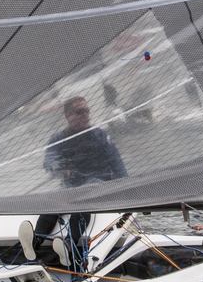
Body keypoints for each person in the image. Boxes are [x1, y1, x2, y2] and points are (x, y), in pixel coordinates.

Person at [23, 97, 128, 271]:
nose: (84, 115)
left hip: (98, 186)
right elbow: (49, 161)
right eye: (79, 112)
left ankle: (68, 244)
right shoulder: (59, 139)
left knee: (81, 207)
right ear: (68, 116)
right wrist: (59, 166)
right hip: (70, 188)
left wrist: (126, 189)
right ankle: (35, 241)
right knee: (51, 205)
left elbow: (117, 163)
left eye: (86, 111)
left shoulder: (100, 136)